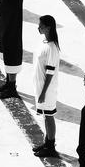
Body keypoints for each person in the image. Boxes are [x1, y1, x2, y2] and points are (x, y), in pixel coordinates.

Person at [32, 15, 60, 157]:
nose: (38, 27)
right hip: (41, 87)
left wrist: (43, 92)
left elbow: (50, 72)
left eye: (41, 26)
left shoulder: (52, 48)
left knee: (49, 116)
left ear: (48, 28)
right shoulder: (45, 43)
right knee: (45, 115)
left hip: (47, 89)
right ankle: (47, 142)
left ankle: (50, 145)